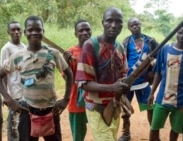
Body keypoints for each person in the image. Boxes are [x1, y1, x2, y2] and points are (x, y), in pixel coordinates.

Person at [0, 15, 73, 141]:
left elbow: (69, 73)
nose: (34, 33)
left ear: (43, 31)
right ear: (25, 32)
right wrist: (8, 99)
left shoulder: (53, 53)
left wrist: (66, 99)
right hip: (27, 110)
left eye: (38, 29)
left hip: (51, 110)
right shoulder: (17, 56)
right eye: (30, 30)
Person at [75, 7, 130, 141]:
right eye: (109, 21)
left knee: (111, 137)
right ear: (102, 22)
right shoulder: (91, 45)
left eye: (118, 21)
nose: (114, 25)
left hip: (115, 107)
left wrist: (125, 85)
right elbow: (84, 84)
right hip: (96, 108)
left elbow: (123, 75)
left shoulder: (120, 47)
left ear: (122, 25)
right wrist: (113, 88)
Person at [147, 23, 183, 141]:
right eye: (180, 32)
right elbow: (158, 73)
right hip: (162, 98)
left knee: (176, 130)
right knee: (154, 127)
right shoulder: (165, 49)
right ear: (176, 33)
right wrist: (152, 93)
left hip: (182, 100)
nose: (182, 36)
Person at [118, 17, 158, 141]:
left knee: (150, 107)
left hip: (143, 82)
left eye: (136, 24)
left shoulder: (150, 41)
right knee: (125, 110)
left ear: (140, 24)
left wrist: (152, 72)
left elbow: (159, 57)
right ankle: (126, 133)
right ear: (129, 28)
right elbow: (122, 60)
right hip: (128, 81)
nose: (134, 26)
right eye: (131, 25)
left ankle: (154, 135)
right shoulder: (126, 42)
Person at [64, 19, 92, 141]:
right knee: (78, 134)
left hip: (94, 98)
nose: (85, 33)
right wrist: (66, 62)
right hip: (76, 98)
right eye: (81, 30)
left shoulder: (95, 50)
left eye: (87, 30)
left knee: (100, 129)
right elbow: (66, 78)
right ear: (75, 34)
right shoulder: (71, 52)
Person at [0, 21, 26, 141]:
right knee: (13, 127)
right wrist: (6, 95)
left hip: (24, 92)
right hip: (13, 93)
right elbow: (3, 74)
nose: (16, 32)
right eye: (13, 30)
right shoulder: (6, 49)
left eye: (18, 29)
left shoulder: (24, 46)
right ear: (8, 32)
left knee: (24, 125)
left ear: (22, 31)